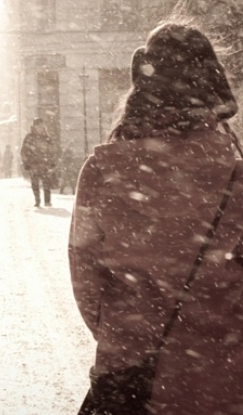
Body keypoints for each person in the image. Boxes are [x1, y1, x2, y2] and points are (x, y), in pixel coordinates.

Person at [69, 20, 243, 415]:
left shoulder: (101, 172)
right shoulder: (235, 177)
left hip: (131, 377)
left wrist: (127, 336)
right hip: (221, 379)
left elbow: (86, 282)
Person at [20, 118, 60, 207]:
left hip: (45, 164)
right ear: (34, 126)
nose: (40, 128)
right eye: (38, 126)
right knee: (35, 183)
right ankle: (37, 200)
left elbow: (52, 151)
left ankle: (47, 201)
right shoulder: (29, 138)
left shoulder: (46, 138)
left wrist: (52, 162)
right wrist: (26, 163)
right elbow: (24, 151)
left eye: (41, 126)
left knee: (47, 183)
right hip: (33, 164)